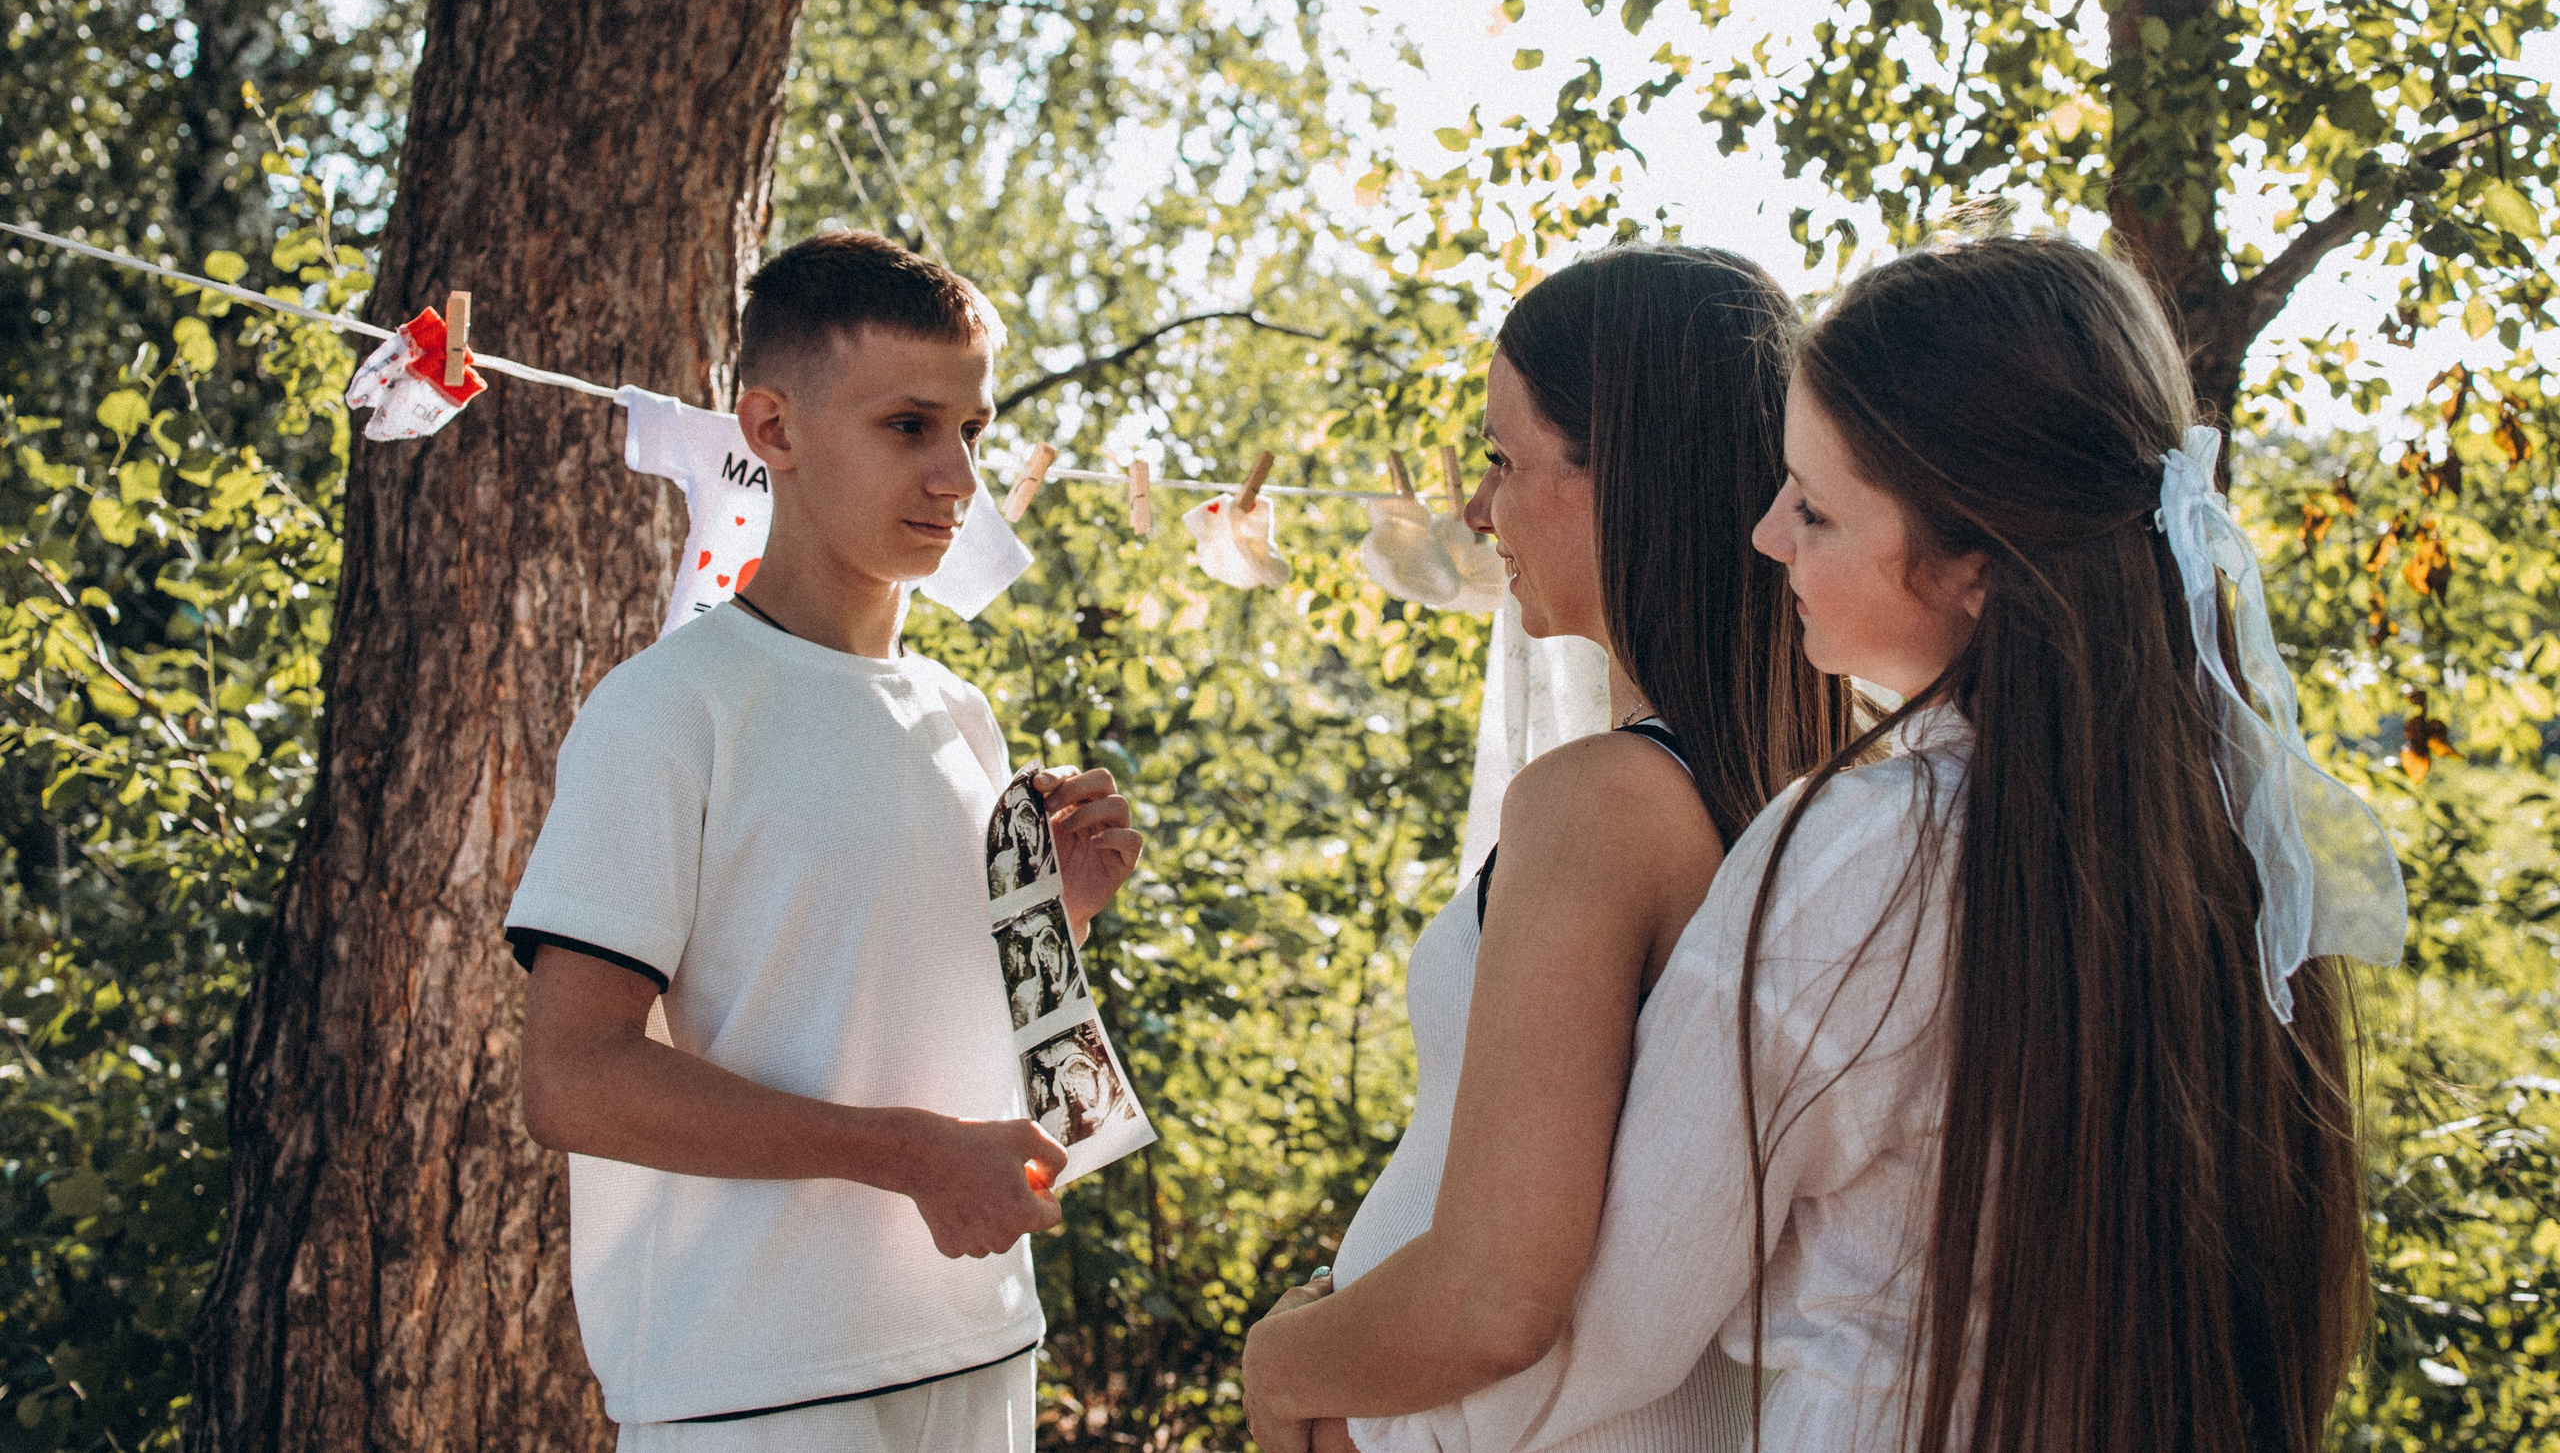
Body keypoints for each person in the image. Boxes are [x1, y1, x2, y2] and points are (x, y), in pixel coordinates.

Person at [1338, 233, 2402, 1453]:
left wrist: (1344, 1405)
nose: (1766, 537)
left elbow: (1596, 1320)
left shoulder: (1866, 859)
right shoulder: (2209, 842)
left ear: (1973, 568)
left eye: (1816, 508)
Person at [504, 230, 1143, 1448]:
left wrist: (1050, 918)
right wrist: (905, 1157)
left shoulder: (962, 713)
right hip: (752, 1387)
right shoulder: (666, 711)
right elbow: (572, 1079)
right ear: (772, 428)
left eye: (973, 430)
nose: (957, 477)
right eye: (909, 426)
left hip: (985, 1347)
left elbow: (882, 1002)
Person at [1242, 244, 1859, 1451]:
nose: (1477, 511)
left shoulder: (1601, 805)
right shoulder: (1814, 794)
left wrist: (1282, 1368)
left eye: (1501, 459)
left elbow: (1493, 1298)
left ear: (1623, 477)